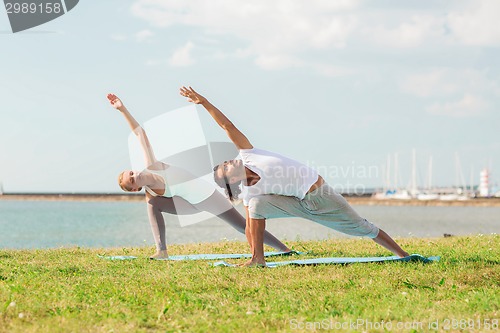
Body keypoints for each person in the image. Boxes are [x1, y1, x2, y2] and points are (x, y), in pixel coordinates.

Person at [179, 86, 410, 267]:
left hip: (321, 196)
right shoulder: (250, 192)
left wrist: (204, 102)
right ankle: (258, 260)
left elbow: (226, 125)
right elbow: (251, 226)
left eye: (226, 162)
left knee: (361, 227)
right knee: (255, 206)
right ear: (231, 180)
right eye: (226, 168)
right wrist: (252, 248)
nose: (229, 162)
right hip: (296, 204)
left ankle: (403, 255)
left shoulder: (248, 154)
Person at [107, 93, 290, 259]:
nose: (135, 174)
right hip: (187, 205)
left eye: (131, 172)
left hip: (208, 196)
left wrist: (122, 109)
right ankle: (161, 251)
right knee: (152, 205)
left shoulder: (152, 166)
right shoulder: (150, 195)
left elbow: (140, 134)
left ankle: (284, 249)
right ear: (135, 188)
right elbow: (155, 204)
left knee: (242, 226)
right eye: (131, 180)